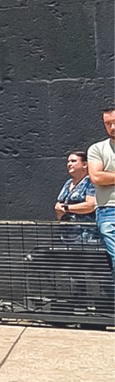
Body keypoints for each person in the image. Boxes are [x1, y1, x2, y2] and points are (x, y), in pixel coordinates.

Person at [87, 105, 115, 270]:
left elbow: (103, 176)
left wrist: (108, 176)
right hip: (108, 210)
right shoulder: (98, 149)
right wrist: (103, 177)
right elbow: (97, 177)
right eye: (108, 124)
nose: (112, 127)